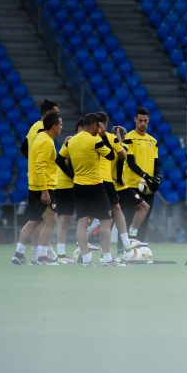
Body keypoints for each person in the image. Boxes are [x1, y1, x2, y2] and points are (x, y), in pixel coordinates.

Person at [57, 113, 121, 266]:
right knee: (106, 222)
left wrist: (73, 175)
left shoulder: (71, 141)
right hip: (96, 186)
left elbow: (59, 159)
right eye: (98, 126)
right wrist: (104, 135)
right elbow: (112, 156)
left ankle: (86, 259)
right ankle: (107, 259)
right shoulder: (95, 140)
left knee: (82, 222)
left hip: (78, 186)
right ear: (94, 126)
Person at [12, 111, 62, 265]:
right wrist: (45, 191)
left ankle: (19, 253)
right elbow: (40, 167)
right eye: (60, 124)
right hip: (43, 187)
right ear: (54, 126)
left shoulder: (40, 138)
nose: (61, 127)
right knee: (51, 219)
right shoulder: (46, 142)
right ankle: (42, 257)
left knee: (34, 221)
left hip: (35, 186)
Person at [95, 112, 139, 257]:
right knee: (113, 214)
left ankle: (92, 252)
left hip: (89, 182)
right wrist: (118, 142)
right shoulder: (110, 138)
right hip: (106, 181)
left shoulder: (87, 139)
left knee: (92, 219)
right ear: (104, 124)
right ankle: (125, 244)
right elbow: (122, 157)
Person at [121, 107, 160, 241]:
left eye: (145, 121)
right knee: (128, 218)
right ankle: (123, 251)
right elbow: (130, 162)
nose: (143, 123)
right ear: (135, 120)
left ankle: (140, 248)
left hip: (147, 186)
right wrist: (145, 175)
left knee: (145, 219)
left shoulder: (153, 141)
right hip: (132, 184)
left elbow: (156, 162)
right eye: (140, 120)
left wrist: (158, 177)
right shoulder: (129, 138)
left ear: (148, 121)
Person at [112, 125, 150, 257]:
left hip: (122, 187)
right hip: (114, 187)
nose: (126, 138)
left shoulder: (124, 148)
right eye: (124, 135)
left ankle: (132, 236)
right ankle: (105, 253)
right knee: (110, 220)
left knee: (144, 206)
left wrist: (117, 138)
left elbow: (121, 155)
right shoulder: (108, 149)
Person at [52, 118, 83, 263]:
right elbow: (61, 161)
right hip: (64, 185)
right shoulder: (71, 141)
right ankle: (60, 254)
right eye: (81, 130)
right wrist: (73, 176)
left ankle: (80, 248)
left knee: (84, 217)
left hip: (75, 185)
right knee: (64, 220)